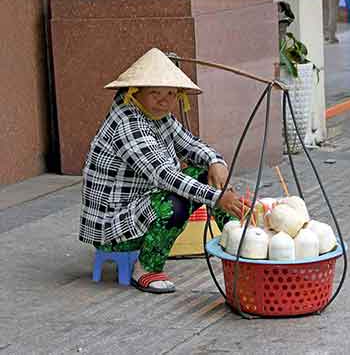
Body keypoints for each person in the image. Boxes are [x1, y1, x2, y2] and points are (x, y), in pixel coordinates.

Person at [79, 48, 248, 294]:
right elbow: (165, 175)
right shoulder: (128, 123)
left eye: (170, 93)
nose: (164, 100)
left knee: (205, 172)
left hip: (141, 207)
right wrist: (217, 198)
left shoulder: (159, 117)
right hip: (115, 227)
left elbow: (190, 144)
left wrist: (215, 162)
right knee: (173, 204)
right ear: (134, 93)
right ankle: (146, 269)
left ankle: (238, 237)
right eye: (155, 93)